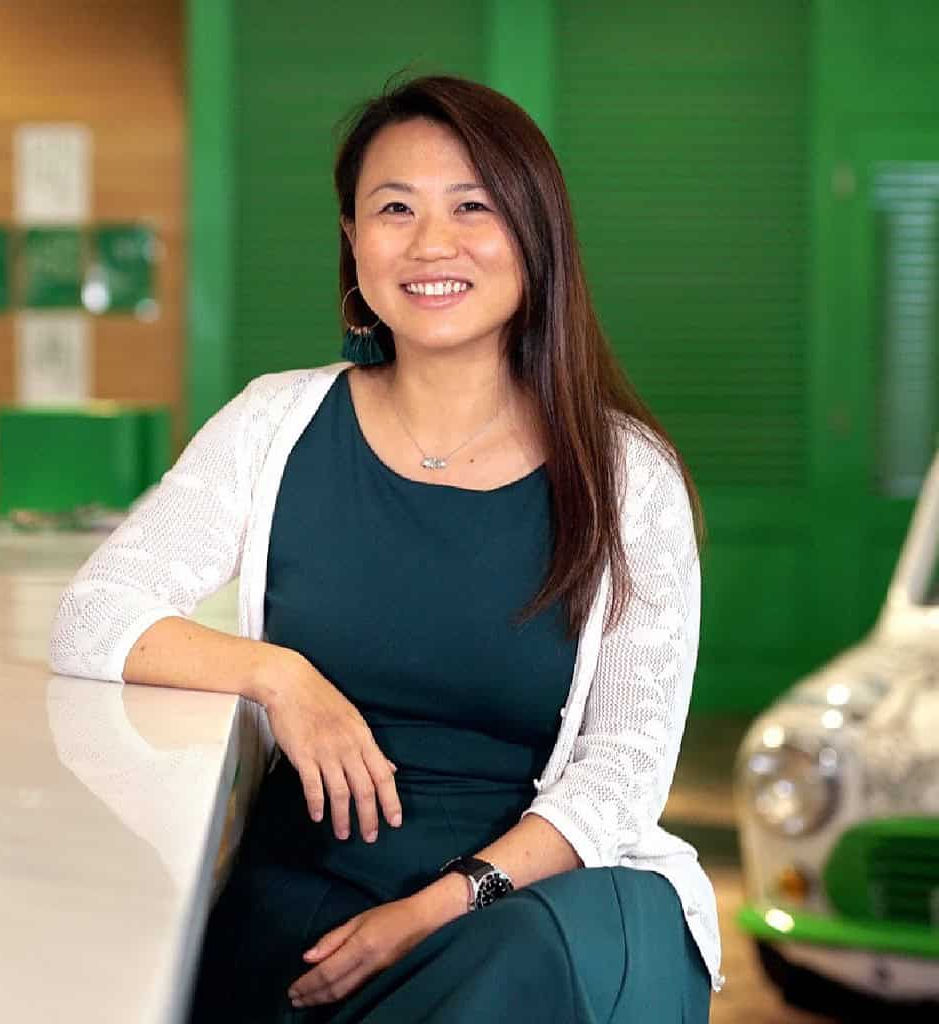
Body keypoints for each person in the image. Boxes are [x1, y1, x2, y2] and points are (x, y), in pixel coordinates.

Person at [49, 72, 723, 1022]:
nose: (431, 243)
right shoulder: (273, 423)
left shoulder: (626, 475)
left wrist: (443, 905)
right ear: (352, 242)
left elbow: (622, 771)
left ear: (536, 237)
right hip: (319, 891)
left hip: (540, 892)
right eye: (394, 208)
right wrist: (280, 677)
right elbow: (94, 615)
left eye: (473, 207)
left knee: (516, 967)